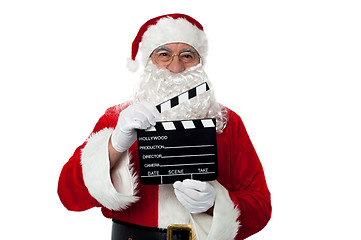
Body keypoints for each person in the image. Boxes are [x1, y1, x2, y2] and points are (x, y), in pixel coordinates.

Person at [58, 13, 272, 240]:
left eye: (187, 55)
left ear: (200, 62)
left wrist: (215, 205)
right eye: (164, 54)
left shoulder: (227, 123)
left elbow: (261, 207)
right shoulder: (118, 119)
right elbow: (69, 195)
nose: (176, 66)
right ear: (150, 61)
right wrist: (114, 144)